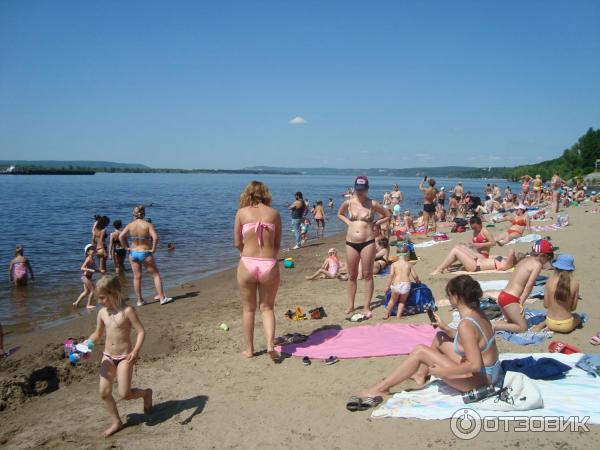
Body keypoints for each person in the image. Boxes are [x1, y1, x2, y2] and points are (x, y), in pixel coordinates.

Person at [348, 275, 502, 411]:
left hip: (480, 380)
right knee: (440, 337)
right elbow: (473, 341)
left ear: (457, 297)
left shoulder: (466, 325)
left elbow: (474, 365)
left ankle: (382, 388)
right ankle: (420, 375)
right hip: (489, 372)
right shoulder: (477, 313)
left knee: (420, 350)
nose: (448, 299)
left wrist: (441, 373)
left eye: (449, 295)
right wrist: (446, 328)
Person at [85, 275, 152, 437]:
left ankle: (146, 393)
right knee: (104, 392)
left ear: (114, 293)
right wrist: (85, 344)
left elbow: (141, 331)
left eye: (102, 297)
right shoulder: (102, 313)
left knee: (125, 394)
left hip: (125, 357)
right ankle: (116, 422)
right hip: (108, 356)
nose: (99, 301)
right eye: (97, 298)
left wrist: (135, 351)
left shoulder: (127, 311)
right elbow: (98, 334)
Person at [234, 181, 282, 360]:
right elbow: (277, 244)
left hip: (247, 263)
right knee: (267, 307)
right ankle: (270, 344)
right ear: (265, 194)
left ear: (248, 194)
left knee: (248, 309)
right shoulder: (274, 214)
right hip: (268, 264)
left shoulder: (241, 213)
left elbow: (237, 242)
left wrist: (246, 255)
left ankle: (249, 350)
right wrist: (269, 259)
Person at [338, 176, 391, 316]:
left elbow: (387, 215)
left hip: (368, 241)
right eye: (358, 189)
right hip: (351, 242)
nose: (360, 192)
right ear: (355, 188)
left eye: (362, 189)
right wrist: (349, 223)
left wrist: (376, 223)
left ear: (367, 189)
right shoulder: (348, 202)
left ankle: (367, 306)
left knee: (367, 274)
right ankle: (350, 305)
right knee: (352, 275)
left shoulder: (372, 203)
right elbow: (340, 214)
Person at [493, 240, 554, 333]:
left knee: (511, 323)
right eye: (548, 257)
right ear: (543, 255)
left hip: (503, 295)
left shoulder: (525, 260)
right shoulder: (537, 265)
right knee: (522, 328)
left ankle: (494, 325)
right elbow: (529, 285)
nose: (548, 260)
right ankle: (492, 326)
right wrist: (521, 302)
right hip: (511, 299)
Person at [119, 205, 172, 307]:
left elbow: (121, 236)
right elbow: (155, 238)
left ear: (134, 214)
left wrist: (126, 247)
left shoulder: (130, 225)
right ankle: (162, 298)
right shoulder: (147, 224)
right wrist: (153, 249)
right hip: (145, 251)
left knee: (137, 277)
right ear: (143, 214)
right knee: (155, 275)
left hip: (133, 252)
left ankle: (139, 301)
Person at [534, 254, 581, 333]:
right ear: (571, 270)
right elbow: (573, 308)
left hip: (550, 323)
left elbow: (546, 305)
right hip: (566, 325)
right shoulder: (575, 284)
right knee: (577, 316)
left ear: (556, 268)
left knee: (550, 317)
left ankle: (543, 324)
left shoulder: (549, 282)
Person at [383, 244, 420, 319]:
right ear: (407, 254)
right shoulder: (408, 264)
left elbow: (391, 275)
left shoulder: (394, 264)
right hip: (406, 285)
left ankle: (386, 314)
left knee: (392, 300)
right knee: (402, 301)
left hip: (396, 284)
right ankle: (398, 316)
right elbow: (415, 276)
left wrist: (387, 286)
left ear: (397, 254)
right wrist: (417, 281)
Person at [73, 244, 97, 308]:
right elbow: (82, 268)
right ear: (88, 252)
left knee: (86, 292)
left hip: (87, 277)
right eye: (92, 249)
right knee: (93, 290)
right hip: (85, 277)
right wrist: (90, 270)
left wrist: (99, 270)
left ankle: (76, 303)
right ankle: (88, 305)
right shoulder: (88, 259)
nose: (94, 250)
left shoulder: (93, 259)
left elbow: (93, 269)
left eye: (94, 249)